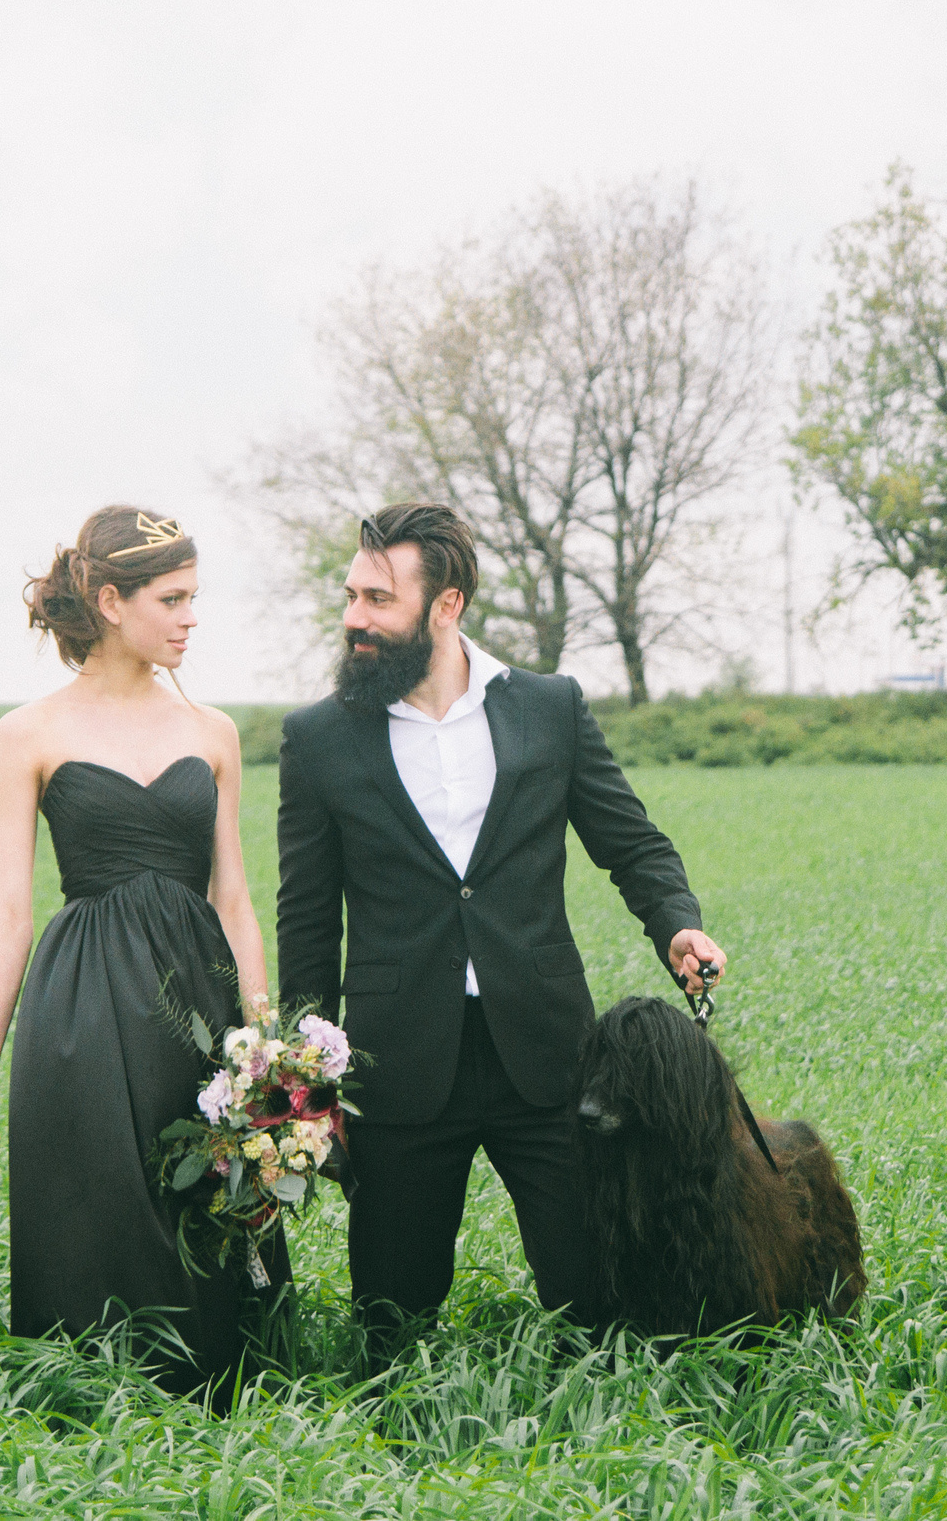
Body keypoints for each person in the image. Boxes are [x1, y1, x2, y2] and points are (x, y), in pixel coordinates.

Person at [274, 501, 727, 1350]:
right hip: (397, 1063)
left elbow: (628, 840)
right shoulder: (318, 739)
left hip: (550, 1055)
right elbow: (305, 919)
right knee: (391, 1323)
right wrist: (309, 1077)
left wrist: (677, 926)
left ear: (446, 606)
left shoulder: (549, 709)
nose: (353, 618)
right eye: (351, 595)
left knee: (595, 1302)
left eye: (378, 599)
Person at [0, 505, 275, 1388]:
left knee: (206, 1201)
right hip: (81, 1005)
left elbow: (235, 898)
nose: (190, 617)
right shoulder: (27, 732)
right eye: (172, 598)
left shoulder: (214, 733)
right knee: (92, 1212)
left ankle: (214, 1401)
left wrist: (263, 1044)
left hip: (196, 1006)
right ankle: (82, 1403)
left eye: (195, 597)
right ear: (109, 600)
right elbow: (8, 913)